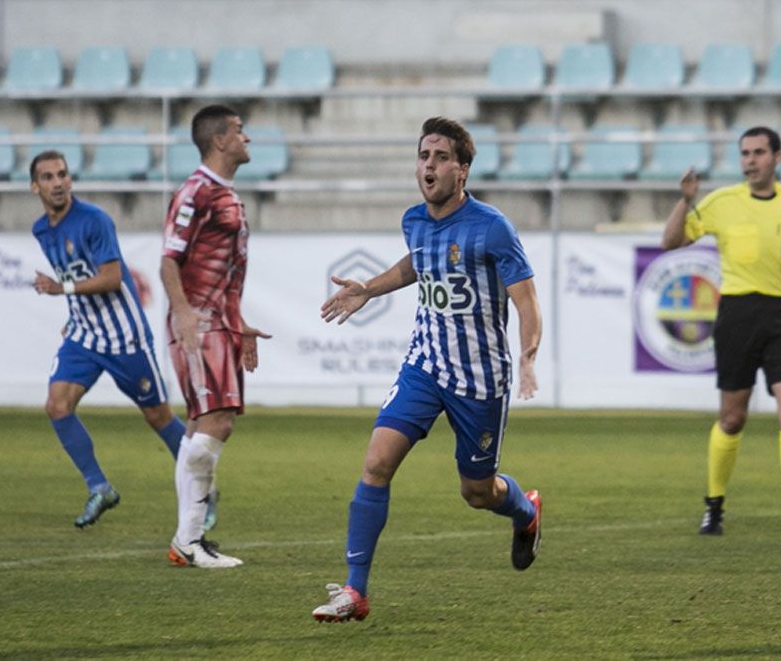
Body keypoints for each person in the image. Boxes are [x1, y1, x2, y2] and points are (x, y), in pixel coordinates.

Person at [310, 116, 543, 623]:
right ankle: (356, 590)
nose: (428, 166)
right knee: (376, 463)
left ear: (462, 169)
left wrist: (527, 357)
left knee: (477, 493)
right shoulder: (414, 219)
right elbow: (418, 264)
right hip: (425, 364)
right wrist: (368, 288)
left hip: (480, 378)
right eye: (423, 156)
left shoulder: (492, 227)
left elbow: (526, 301)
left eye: (440, 157)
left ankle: (524, 511)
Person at [659, 126, 781, 540]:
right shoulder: (721, 202)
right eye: (745, 153)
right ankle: (714, 504)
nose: (750, 160)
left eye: (759, 152)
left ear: (777, 157)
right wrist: (685, 201)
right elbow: (670, 241)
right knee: (732, 417)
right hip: (738, 316)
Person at [30, 150, 216, 531]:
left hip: (124, 336)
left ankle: (205, 491)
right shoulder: (41, 229)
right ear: (35, 187)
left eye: (63, 174)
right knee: (57, 405)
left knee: (158, 417)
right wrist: (72, 315)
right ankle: (99, 487)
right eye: (48, 177)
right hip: (84, 334)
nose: (58, 182)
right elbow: (75, 271)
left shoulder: (94, 220)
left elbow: (112, 278)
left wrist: (58, 289)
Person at [161, 104, 269, 569]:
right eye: (240, 132)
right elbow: (168, 259)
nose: (247, 138)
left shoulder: (224, 194)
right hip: (199, 322)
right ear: (220, 141)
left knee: (199, 425)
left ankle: (187, 541)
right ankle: (190, 539)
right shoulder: (195, 192)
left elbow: (226, 272)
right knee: (217, 422)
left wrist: (239, 322)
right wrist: (184, 313)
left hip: (219, 321)